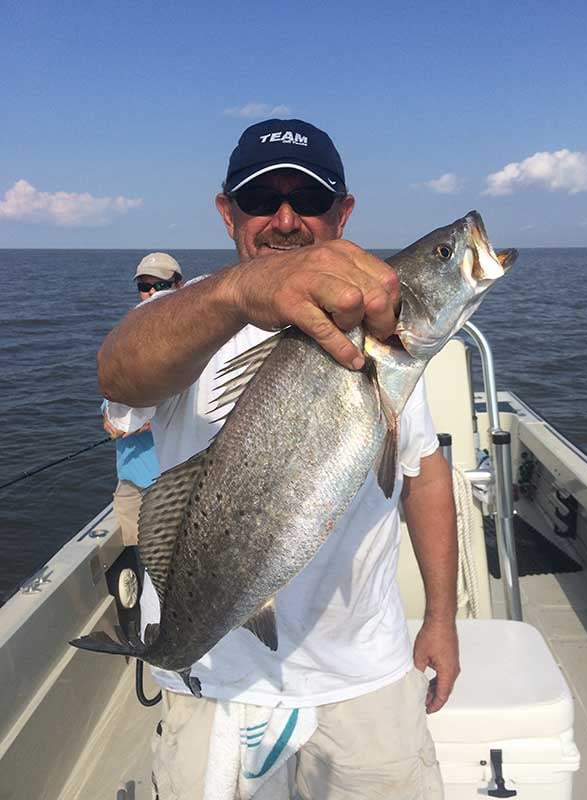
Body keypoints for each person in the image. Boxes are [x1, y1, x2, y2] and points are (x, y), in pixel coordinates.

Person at [98, 119, 459, 799]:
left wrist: (440, 618)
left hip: (364, 673)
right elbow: (117, 374)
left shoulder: (383, 332)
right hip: (216, 679)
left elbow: (422, 473)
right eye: (262, 200)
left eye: (311, 201)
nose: (286, 220)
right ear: (226, 212)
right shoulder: (187, 314)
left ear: (343, 214)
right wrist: (239, 292)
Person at [103, 252, 184, 546]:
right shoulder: (125, 336)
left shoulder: (196, 336)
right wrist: (111, 419)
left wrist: (149, 421)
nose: (151, 293)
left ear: (179, 284)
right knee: (137, 555)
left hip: (173, 482)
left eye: (160, 285)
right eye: (144, 286)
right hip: (130, 478)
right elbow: (112, 397)